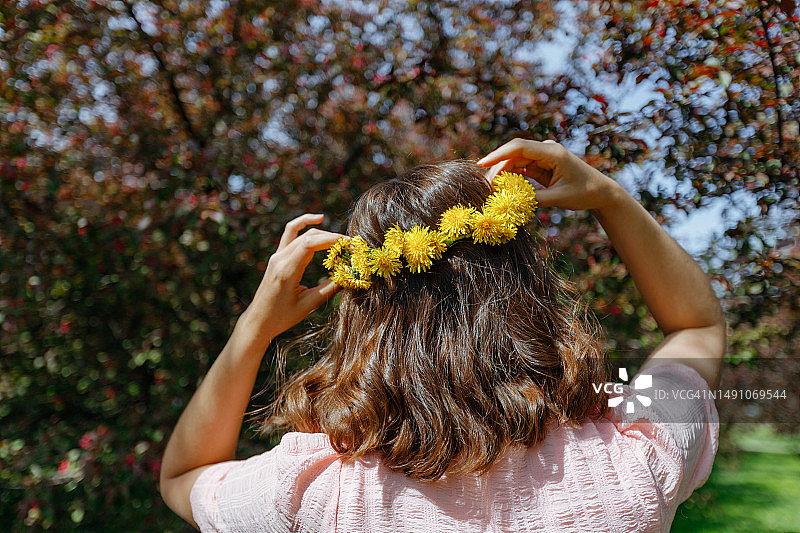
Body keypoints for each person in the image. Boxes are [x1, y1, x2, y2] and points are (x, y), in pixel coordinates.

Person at [159, 138, 725, 532]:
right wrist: (609, 196)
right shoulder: (629, 463)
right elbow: (697, 326)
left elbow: (185, 476)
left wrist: (254, 327)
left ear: (363, 312)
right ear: (529, 283)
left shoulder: (313, 490)